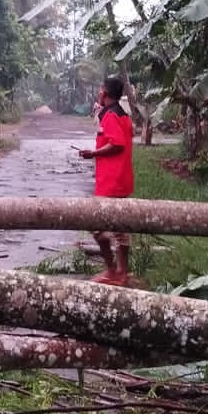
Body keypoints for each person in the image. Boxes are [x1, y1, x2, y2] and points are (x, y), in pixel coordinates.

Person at [79, 77, 136, 286]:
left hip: (111, 181)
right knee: (120, 228)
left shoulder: (111, 115)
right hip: (121, 178)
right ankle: (121, 272)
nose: (98, 92)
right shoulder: (123, 114)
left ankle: (113, 271)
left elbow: (118, 143)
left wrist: (93, 152)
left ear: (105, 93)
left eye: (100, 89)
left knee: (96, 226)